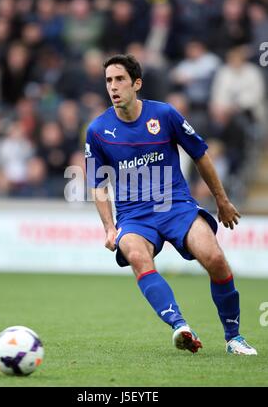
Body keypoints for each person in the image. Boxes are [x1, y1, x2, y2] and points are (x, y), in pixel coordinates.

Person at [85, 54, 257, 355]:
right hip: (134, 216)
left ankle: (234, 338)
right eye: (109, 81)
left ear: (136, 83)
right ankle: (180, 326)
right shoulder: (98, 130)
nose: (113, 87)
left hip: (176, 206)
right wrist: (109, 227)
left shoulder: (164, 115)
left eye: (120, 79)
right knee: (138, 257)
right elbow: (97, 184)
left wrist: (221, 200)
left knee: (215, 259)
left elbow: (200, 154)